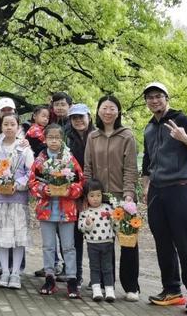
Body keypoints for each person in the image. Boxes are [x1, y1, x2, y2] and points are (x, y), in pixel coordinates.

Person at [142, 82, 187, 315]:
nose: (154, 100)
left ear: (166, 98)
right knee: (163, 243)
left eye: (158, 96)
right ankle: (171, 290)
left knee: (186, 243)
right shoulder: (149, 128)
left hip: (180, 189)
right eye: (149, 97)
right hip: (157, 192)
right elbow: (147, 162)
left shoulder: (182, 120)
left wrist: (183, 138)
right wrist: (146, 187)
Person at [83, 95, 140, 301]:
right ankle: (108, 286)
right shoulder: (93, 136)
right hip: (98, 198)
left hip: (121, 197)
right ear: (98, 111)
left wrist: (128, 195)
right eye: (104, 108)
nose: (108, 112)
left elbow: (131, 168)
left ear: (118, 112)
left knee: (128, 242)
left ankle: (132, 287)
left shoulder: (126, 136)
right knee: (103, 244)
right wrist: (88, 196)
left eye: (112, 108)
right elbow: (87, 167)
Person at [29, 123, 84, 297]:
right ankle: (50, 277)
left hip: (66, 209)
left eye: (57, 138)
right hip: (46, 208)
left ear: (62, 139)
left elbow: (79, 180)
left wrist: (70, 190)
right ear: (45, 139)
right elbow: (32, 182)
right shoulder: (40, 159)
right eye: (50, 137)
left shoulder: (69, 158)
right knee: (48, 246)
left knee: (69, 246)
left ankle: (72, 279)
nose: (54, 141)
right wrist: (43, 190)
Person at [0, 114, 33, 289]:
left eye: (13, 124)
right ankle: (5, 272)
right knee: (1, 236)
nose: (9, 127)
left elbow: (30, 172)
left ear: (18, 126)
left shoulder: (24, 149)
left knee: (18, 238)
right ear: (1, 126)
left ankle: (15, 274)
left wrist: (18, 185)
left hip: (18, 200)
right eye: (6, 124)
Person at [65, 103, 95, 287]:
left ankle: (98, 279)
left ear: (89, 118)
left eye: (81, 117)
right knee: (74, 237)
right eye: (74, 118)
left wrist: (89, 193)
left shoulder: (97, 136)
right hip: (73, 193)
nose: (78, 121)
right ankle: (75, 275)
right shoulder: (67, 138)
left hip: (94, 192)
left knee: (96, 237)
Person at [78, 178, 116, 302]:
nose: (95, 198)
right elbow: (81, 227)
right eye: (92, 195)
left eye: (98, 195)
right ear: (86, 197)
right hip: (92, 244)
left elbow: (115, 225)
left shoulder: (108, 209)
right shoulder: (85, 211)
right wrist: (87, 223)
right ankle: (96, 289)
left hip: (107, 243)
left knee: (107, 267)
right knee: (94, 267)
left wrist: (117, 221)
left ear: (102, 195)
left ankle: (109, 290)